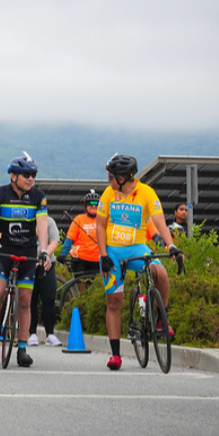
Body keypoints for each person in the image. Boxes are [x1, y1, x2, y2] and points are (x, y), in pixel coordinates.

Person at [97, 154, 183, 371]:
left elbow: (160, 222)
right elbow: (100, 226)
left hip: (137, 248)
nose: (108, 180)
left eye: (111, 176)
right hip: (112, 252)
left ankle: (161, 318)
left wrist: (171, 246)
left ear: (122, 178)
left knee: (160, 273)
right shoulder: (108, 194)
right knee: (114, 302)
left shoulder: (146, 192)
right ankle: (115, 355)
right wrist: (103, 254)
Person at [0, 152, 49, 368]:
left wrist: (44, 251)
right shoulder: (0, 193)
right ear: (13, 176)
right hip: (4, 250)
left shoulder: (38, 196)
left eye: (33, 175)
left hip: (28, 251)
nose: (30, 179)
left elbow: (42, 225)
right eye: (26, 175)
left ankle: (22, 349)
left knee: (25, 301)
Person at [28, 215, 62, 347]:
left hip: (47, 263)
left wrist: (45, 256)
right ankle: (32, 333)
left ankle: (50, 334)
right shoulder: (26, 221)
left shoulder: (49, 221)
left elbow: (54, 241)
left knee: (49, 298)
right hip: (29, 263)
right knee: (31, 299)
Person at [59, 190, 101, 275]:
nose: (94, 206)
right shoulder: (79, 219)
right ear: (86, 206)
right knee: (80, 282)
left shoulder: (104, 220)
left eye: (96, 204)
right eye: (90, 204)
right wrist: (63, 253)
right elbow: (70, 238)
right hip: (80, 259)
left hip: (98, 260)